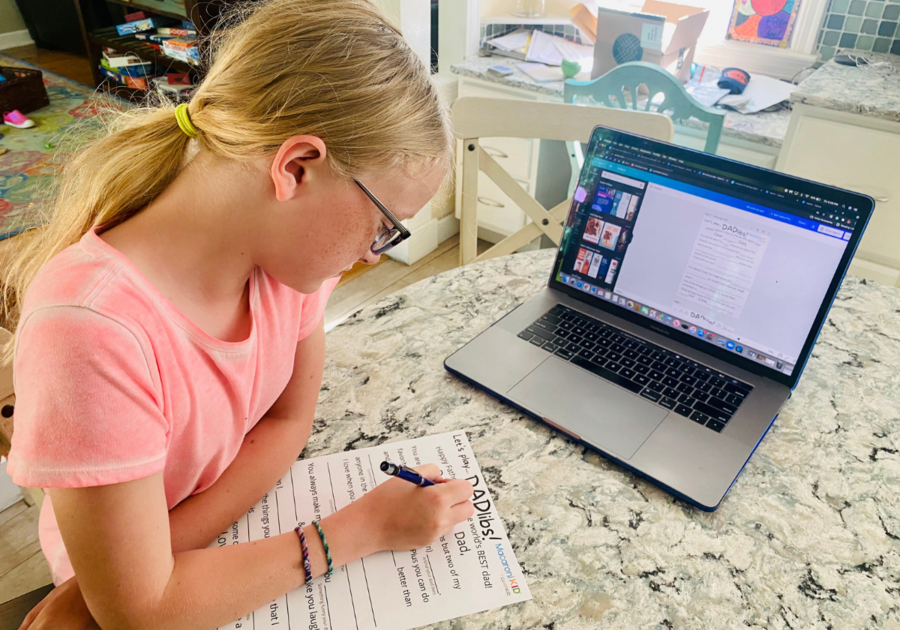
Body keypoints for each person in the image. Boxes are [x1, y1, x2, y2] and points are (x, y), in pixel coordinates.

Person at [2, 1, 474, 628]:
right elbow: (141, 611)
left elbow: (287, 423)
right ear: (295, 168)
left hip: (201, 544)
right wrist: (359, 529)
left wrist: (164, 560)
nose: (372, 250)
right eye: (384, 225)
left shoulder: (288, 265)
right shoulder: (90, 328)